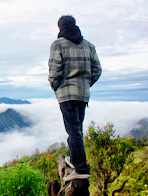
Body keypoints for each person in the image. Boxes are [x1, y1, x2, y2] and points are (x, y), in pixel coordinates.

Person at [48, 15, 102, 181]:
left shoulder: (58, 44)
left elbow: (54, 70)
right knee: (77, 129)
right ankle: (75, 159)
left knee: (73, 130)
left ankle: (81, 168)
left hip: (66, 94)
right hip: (83, 94)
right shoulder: (88, 45)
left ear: (59, 28)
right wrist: (85, 84)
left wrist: (55, 85)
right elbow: (97, 70)